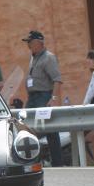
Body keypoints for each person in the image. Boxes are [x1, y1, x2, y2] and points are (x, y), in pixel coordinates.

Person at [22, 30, 64, 167]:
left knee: (50, 129)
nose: (28, 45)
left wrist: (53, 98)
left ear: (39, 42)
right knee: (27, 126)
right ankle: (35, 160)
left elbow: (57, 80)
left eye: (30, 42)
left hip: (43, 96)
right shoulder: (33, 57)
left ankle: (57, 162)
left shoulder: (48, 57)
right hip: (32, 97)